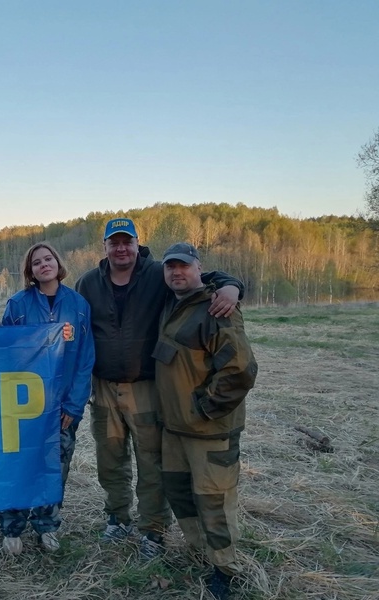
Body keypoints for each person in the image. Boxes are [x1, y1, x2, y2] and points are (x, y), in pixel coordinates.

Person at [75, 217, 243, 560]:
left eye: (127, 241)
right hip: (105, 388)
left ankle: (152, 529)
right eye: (114, 242)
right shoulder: (89, 283)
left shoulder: (157, 274)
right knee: (110, 462)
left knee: (151, 463)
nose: (121, 248)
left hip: (147, 388)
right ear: (104, 247)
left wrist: (232, 286)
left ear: (138, 243)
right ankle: (117, 518)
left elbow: (201, 278)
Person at [155, 242, 257, 599]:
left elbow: (240, 371)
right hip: (175, 431)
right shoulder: (173, 303)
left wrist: (204, 410)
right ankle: (199, 552)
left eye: (183, 266)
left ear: (199, 268)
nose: (176, 272)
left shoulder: (218, 308)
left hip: (208, 432)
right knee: (181, 496)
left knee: (215, 502)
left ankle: (225, 569)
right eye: (170, 267)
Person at [0, 242, 94, 555]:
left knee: (55, 468)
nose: (43, 265)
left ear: (58, 262)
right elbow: (5, 355)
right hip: (24, 406)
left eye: (48, 258)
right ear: (30, 271)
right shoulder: (18, 304)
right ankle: (12, 526)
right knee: (19, 464)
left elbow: (84, 359)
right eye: (36, 262)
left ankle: (47, 526)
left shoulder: (78, 305)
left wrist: (74, 405)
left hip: (62, 406)